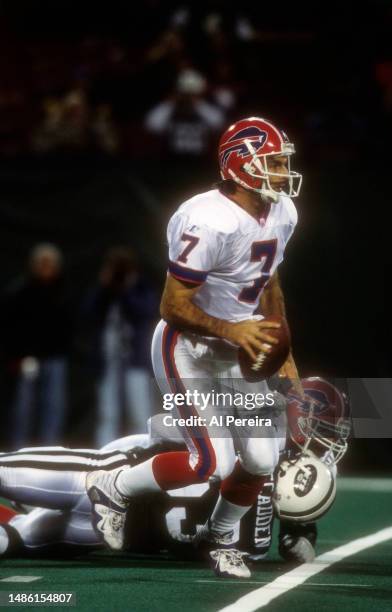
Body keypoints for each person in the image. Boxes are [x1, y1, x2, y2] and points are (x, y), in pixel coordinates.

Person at [86, 116, 303, 578]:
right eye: (274, 163)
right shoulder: (205, 217)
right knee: (210, 461)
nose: (284, 172)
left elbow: (269, 282)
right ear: (240, 166)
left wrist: (283, 354)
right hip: (186, 344)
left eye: (284, 162)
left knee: (262, 458)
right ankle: (114, 484)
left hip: (238, 343)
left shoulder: (283, 210)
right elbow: (171, 306)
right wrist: (234, 331)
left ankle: (221, 537)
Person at [0, 378, 350, 561]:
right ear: (299, 417)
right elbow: (165, 426)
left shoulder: (267, 474)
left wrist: (298, 528)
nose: (324, 448)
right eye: (323, 432)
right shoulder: (248, 431)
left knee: (12, 538)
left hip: (123, 530)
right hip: (105, 476)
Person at [82, 247, 158, 444]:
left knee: (140, 412)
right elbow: (88, 313)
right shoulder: (104, 291)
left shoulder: (141, 287)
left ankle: (143, 450)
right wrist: (104, 286)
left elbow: (146, 311)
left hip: (135, 359)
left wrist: (126, 290)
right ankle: (103, 453)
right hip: (108, 358)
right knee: (107, 412)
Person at [1, 244, 73, 447]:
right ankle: (19, 449)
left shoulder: (63, 292)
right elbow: (10, 326)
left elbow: (68, 325)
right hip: (28, 358)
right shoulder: (19, 292)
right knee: (24, 405)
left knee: (53, 405)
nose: (45, 268)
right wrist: (16, 356)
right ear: (33, 265)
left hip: (55, 358)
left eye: (49, 264)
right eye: (42, 263)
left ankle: (51, 449)